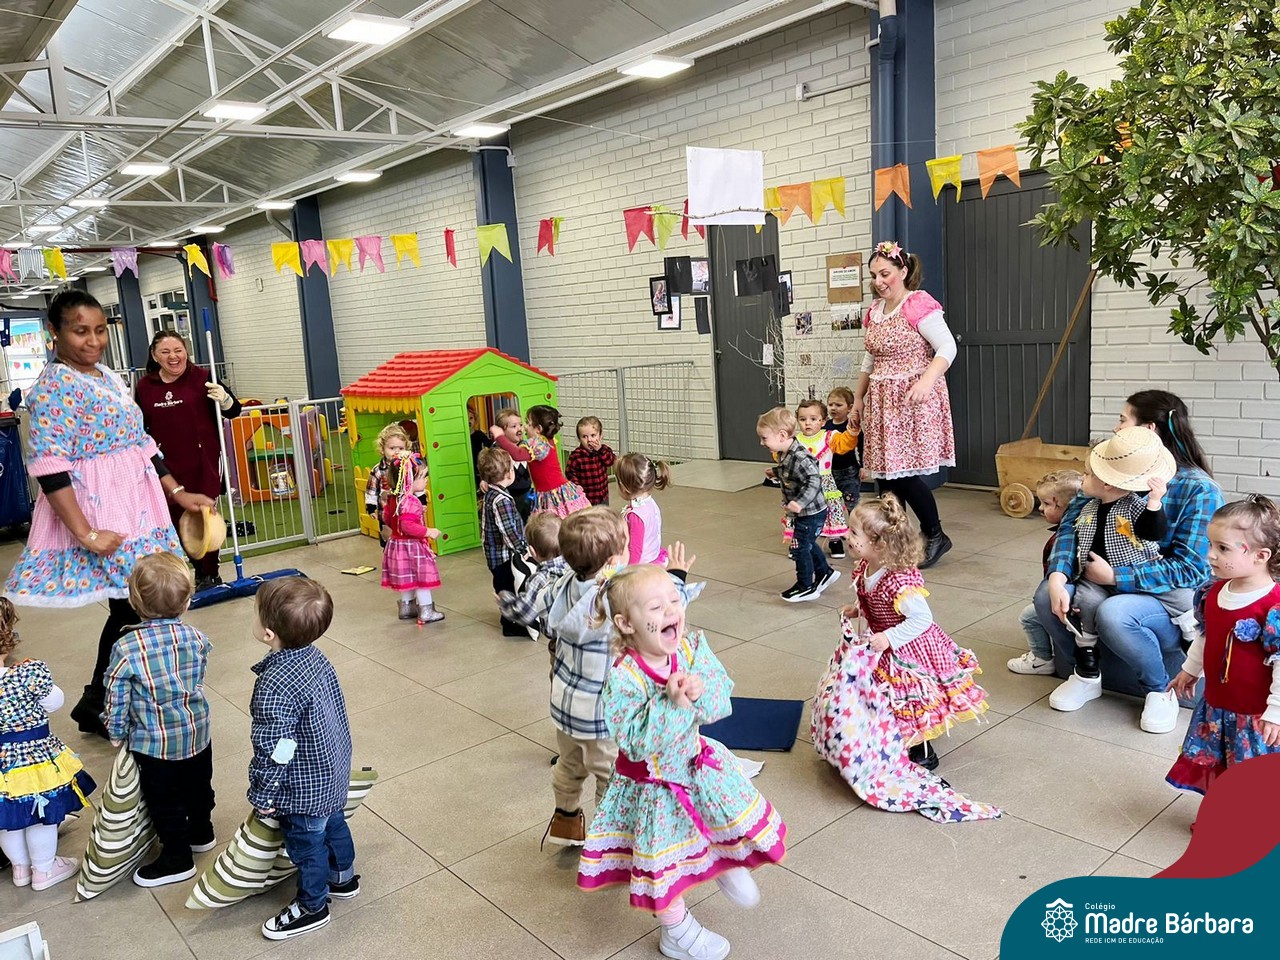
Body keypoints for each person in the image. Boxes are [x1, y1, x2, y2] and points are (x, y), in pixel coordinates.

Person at [4, 290, 214, 740]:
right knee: (131, 605)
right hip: (102, 510)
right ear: (54, 332)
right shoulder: (53, 388)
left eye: (100, 330)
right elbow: (49, 467)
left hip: (138, 504)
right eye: (80, 331)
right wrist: (86, 533)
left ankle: (103, 700)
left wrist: (178, 492)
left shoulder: (106, 376)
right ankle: (101, 702)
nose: (93, 341)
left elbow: (141, 444)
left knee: (133, 605)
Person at [578, 564, 787, 960]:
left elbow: (720, 702)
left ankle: (724, 860)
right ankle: (678, 932)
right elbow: (635, 742)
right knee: (663, 866)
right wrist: (671, 703)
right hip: (651, 790)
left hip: (695, 768)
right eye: (656, 607)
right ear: (626, 624)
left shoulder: (690, 650)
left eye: (675, 599)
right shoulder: (624, 678)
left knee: (716, 817)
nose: (671, 610)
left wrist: (700, 691)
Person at [497, 509, 702, 848]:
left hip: (565, 710)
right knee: (613, 776)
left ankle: (566, 820)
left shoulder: (561, 583)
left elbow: (528, 609)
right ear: (612, 561)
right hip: (604, 716)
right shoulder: (616, 597)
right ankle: (610, 839)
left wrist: (508, 603)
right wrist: (677, 578)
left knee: (570, 764)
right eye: (625, 547)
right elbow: (659, 612)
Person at [1035, 389, 1223, 734]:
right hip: (1099, 576)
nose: (1116, 427)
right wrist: (1058, 575)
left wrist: (1116, 577)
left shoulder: (1197, 490)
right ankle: (1086, 673)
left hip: (1159, 592)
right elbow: (1070, 527)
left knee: (1114, 613)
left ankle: (1160, 690)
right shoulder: (1109, 465)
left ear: (1147, 430)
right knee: (1046, 596)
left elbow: (1191, 568)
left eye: (1122, 420)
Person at [1049, 429, 1197, 712]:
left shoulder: (1135, 506)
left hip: (1137, 571)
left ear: (1107, 483)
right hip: (1095, 578)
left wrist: (1154, 503)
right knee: (1085, 602)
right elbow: (1070, 534)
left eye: (1087, 474)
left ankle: (1192, 639)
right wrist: (1060, 575)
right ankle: (1086, 660)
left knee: (1180, 597)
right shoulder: (1088, 507)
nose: (1082, 479)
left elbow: (1153, 532)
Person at [841, 494, 989, 770]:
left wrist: (889, 637)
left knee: (909, 697)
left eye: (853, 533)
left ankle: (922, 750)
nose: (847, 536)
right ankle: (891, 732)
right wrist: (858, 609)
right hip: (883, 643)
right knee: (886, 694)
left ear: (879, 544)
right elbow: (873, 598)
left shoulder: (899, 581)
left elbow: (922, 618)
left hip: (908, 649)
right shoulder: (865, 567)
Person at [249, 579, 359, 941]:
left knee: (307, 844)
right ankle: (343, 878)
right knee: (335, 824)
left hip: (303, 787)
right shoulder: (315, 655)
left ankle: (313, 906)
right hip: (333, 767)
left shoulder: (275, 683)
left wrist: (263, 794)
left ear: (268, 633)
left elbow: (277, 747)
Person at [103, 552, 215, 888]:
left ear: (134, 603)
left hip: (154, 743)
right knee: (198, 784)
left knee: (165, 800)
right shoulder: (196, 637)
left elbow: (116, 695)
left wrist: (116, 730)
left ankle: (177, 858)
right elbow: (198, 675)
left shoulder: (126, 647)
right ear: (187, 602)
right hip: (197, 731)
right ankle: (202, 831)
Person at [851, 240, 957, 568]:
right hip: (882, 402)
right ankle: (899, 541)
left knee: (903, 476)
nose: (879, 281)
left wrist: (926, 381)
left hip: (911, 402)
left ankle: (935, 534)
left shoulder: (917, 304)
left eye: (885, 273)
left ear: (903, 271)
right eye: (874, 275)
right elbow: (869, 360)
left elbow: (947, 347)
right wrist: (858, 398)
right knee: (886, 477)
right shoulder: (875, 312)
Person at [1166, 497, 1280, 797]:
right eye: (1210, 544)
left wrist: (1276, 712)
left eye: (1223, 548)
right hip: (1217, 707)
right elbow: (1206, 635)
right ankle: (1224, 813)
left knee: (1253, 779)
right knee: (1220, 770)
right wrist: (1190, 670)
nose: (1210, 555)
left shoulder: (1274, 607)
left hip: (1256, 715)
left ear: (1260, 556)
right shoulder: (1212, 593)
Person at [0, 597, 96, 891]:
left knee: (7, 818)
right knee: (39, 816)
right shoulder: (26, 673)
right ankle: (43, 869)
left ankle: (20, 868)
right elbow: (55, 702)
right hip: (34, 761)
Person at [134, 330, 242, 590]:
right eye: (165, 352)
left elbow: (234, 411)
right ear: (154, 356)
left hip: (203, 462)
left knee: (204, 517)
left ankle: (209, 574)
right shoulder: (145, 387)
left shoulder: (204, 378)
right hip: (166, 466)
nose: (173, 357)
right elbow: (139, 427)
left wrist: (225, 399)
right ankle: (190, 568)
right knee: (175, 519)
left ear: (186, 352)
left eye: (178, 350)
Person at [756, 406, 840, 603]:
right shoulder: (785, 453)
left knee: (799, 547)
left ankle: (805, 586)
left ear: (782, 435)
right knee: (807, 543)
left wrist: (800, 502)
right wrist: (776, 472)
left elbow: (814, 479)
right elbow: (791, 472)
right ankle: (824, 573)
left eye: (764, 438)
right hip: (806, 512)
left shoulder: (799, 456)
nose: (761, 443)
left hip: (811, 512)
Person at [1007, 470, 1083, 675]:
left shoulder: (1063, 540)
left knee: (1029, 617)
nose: (1040, 508)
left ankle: (1041, 659)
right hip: (1070, 595)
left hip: (1068, 599)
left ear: (1066, 506)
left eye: (1046, 504)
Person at [490, 404, 591, 518]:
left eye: (528, 424)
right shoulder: (546, 440)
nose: (525, 427)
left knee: (556, 520)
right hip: (547, 491)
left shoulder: (539, 444)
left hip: (553, 492)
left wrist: (500, 436)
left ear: (538, 429)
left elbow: (518, 455)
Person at [380, 454, 445, 626]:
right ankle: (426, 610)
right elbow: (407, 526)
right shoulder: (411, 501)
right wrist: (428, 531)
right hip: (412, 547)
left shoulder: (394, 498)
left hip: (396, 545)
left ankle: (407, 607)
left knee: (407, 578)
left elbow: (387, 518)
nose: (426, 480)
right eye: (422, 477)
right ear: (409, 479)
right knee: (421, 579)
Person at [793, 399, 858, 560]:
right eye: (802, 419)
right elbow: (784, 455)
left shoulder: (829, 437)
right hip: (803, 485)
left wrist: (852, 431)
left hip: (825, 482)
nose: (807, 423)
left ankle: (834, 540)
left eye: (813, 419)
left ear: (823, 421)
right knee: (801, 513)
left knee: (831, 512)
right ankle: (799, 542)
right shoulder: (795, 441)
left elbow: (845, 444)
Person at [478, 447, 533, 638]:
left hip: (495, 554)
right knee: (507, 587)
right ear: (509, 473)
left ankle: (510, 618)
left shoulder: (492, 493)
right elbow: (508, 531)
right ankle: (510, 623)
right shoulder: (501, 500)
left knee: (504, 585)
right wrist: (523, 550)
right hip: (502, 556)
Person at [498, 512, 569, 648]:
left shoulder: (539, 579)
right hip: (582, 633)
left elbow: (525, 612)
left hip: (560, 641)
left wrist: (506, 601)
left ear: (532, 551)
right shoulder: (577, 565)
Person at [364, 423, 419, 547]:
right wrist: (371, 507)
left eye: (401, 448)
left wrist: (422, 500)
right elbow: (371, 490)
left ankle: (406, 555)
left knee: (409, 538)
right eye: (392, 448)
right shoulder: (378, 470)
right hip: (386, 513)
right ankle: (389, 555)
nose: (396, 452)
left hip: (407, 512)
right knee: (389, 541)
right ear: (382, 449)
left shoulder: (409, 466)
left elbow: (415, 483)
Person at [616, 452, 673, 566]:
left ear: (623, 487)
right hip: (653, 556)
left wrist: (628, 571)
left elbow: (635, 550)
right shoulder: (650, 503)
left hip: (642, 567)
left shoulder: (635, 516)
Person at [825, 386, 863, 555]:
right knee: (833, 505)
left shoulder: (852, 426)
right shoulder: (825, 426)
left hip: (849, 472)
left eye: (838, 405)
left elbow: (861, 447)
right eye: (830, 404)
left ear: (849, 407)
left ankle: (858, 531)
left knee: (852, 503)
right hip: (830, 472)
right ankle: (837, 529)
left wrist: (863, 466)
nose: (833, 408)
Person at [492, 409, 534, 522]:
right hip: (508, 494)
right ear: (502, 431)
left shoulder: (526, 446)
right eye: (514, 426)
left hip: (527, 492)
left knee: (529, 520)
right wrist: (485, 480)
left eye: (520, 425)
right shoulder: (497, 449)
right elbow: (489, 467)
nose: (519, 429)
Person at [566, 416, 617, 506]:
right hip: (586, 498)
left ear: (600, 436)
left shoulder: (604, 450)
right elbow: (570, 473)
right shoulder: (576, 455)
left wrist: (600, 450)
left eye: (593, 435)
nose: (589, 440)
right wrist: (577, 486)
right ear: (579, 439)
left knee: (604, 514)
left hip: (603, 496)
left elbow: (610, 461)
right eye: (584, 437)